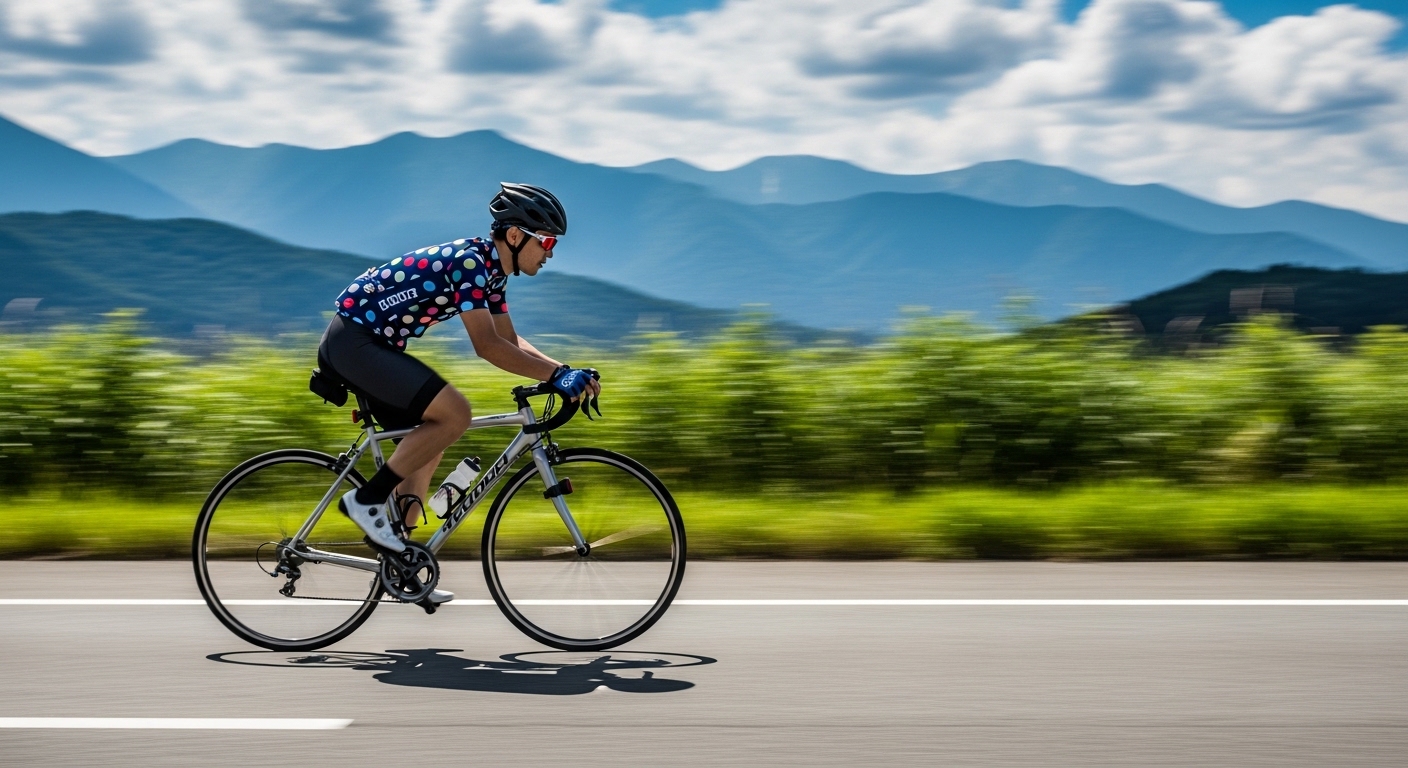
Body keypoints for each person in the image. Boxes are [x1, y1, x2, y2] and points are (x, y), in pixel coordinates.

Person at [316, 182, 600, 604]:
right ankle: (366, 500)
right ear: (515, 235)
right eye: (546, 241)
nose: (551, 252)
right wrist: (557, 376)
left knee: (430, 441)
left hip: (370, 345)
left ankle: (403, 565)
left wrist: (564, 370)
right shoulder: (470, 263)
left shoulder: (492, 272)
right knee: (455, 414)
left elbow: (510, 341)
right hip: (355, 342)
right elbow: (487, 347)